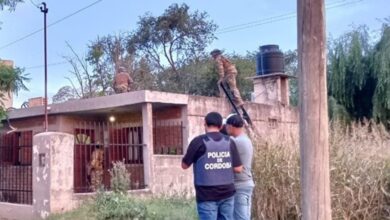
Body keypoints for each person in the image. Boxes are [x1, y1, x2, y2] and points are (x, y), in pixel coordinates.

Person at [182, 112, 243, 220]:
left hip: (206, 195)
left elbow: (184, 165)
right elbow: (238, 168)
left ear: (204, 123)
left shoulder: (198, 142)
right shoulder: (230, 142)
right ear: (221, 126)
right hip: (227, 193)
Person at [225, 115, 255, 220]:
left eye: (227, 126)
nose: (225, 129)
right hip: (246, 183)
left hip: (240, 185)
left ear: (231, 126)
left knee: (240, 217)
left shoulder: (236, 142)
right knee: (244, 216)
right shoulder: (245, 139)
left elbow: (234, 165)